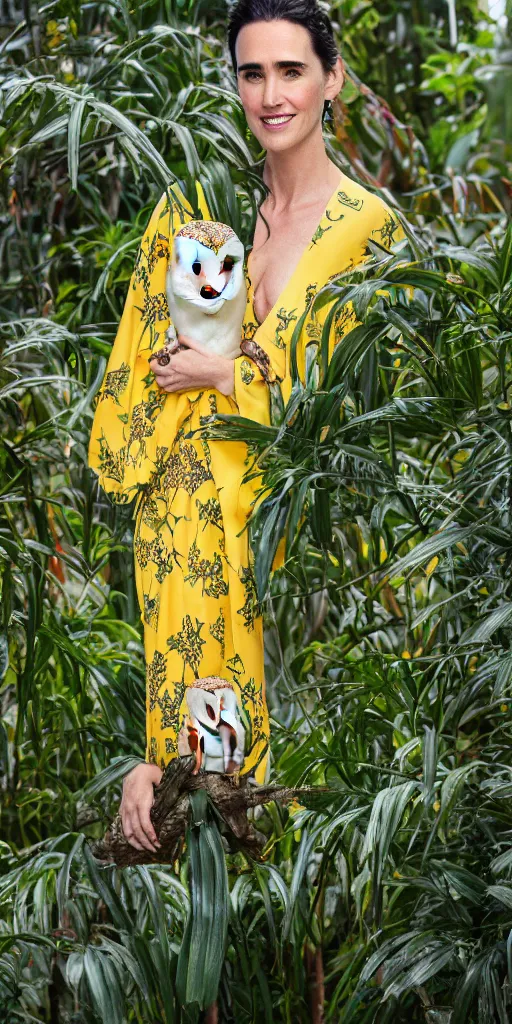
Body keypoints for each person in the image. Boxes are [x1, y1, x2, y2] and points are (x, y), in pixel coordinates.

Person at [88, 0, 402, 854]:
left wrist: (230, 371)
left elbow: (371, 421)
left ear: (332, 80)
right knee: (208, 825)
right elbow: (134, 394)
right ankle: (179, 771)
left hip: (291, 557)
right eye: (251, 72)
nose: (270, 93)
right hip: (185, 538)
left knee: (305, 837)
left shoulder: (368, 230)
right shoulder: (201, 219)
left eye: (291, 70)